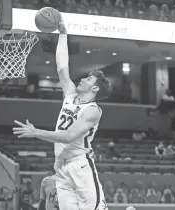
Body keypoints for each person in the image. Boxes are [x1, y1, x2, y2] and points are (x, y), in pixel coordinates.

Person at [13, 14, 111, 210]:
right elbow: (62, 67)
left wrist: (36, 132)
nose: (83, 79)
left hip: (80, 166)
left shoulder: (93, 111)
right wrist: (63, 35)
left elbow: (68, 136)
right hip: (61, 167)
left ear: (95, 89)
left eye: (89, 80)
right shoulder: (70, 95)